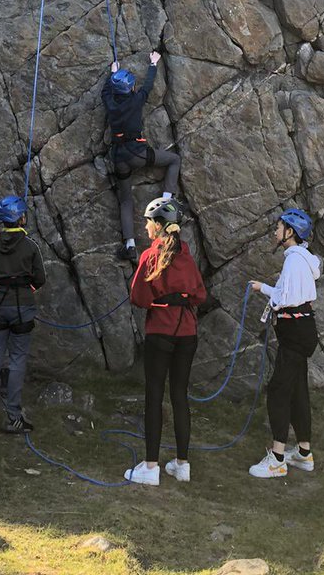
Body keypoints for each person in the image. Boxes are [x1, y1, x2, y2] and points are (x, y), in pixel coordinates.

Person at [123, 197, 206, 486]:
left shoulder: (150, 256)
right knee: (180, 395)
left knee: (154, 396)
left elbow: (138, 297)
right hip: (187, 333)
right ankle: (182, 464)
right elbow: (200, 296)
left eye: (148, 222)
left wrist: (160, 299)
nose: (145, 227)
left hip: (160, 331)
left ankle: (151, 466)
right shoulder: (186, 257)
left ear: (158, 226)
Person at [248, 207, 320, 478]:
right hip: (303, 330)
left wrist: (271, 299)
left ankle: (277, 458)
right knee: (297, 389)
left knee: (278, 391)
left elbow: (285, 298)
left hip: (293, 333)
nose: (276, 231)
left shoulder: (293, 260)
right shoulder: (303, 259)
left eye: (279, 227)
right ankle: (303, 453)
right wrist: (263, 288)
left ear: (289, 232)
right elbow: (291, 293)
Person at [101, 51, 180, 264]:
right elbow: (148, 86)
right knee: (173, 160)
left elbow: (107, 91)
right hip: (138, 154)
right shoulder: (136, 101)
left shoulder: (110, 103)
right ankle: (166, 201)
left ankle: (130, 245)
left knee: (125, 201)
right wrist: (153, 64)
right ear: (130, 89)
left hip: (119, 158)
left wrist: (112, 74)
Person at [0, 194, 46, 432]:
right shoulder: (30, 247)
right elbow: (40, 278)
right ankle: (12, 417)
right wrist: (26, 287)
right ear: (21, 218)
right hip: (22, 308)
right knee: (17, 360)